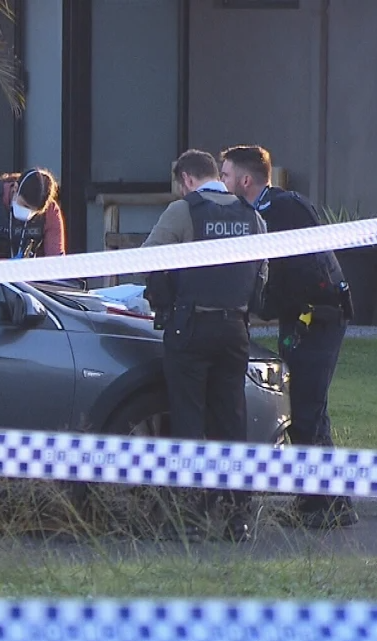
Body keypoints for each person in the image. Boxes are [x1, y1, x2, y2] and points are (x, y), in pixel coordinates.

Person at [219, 144, 358, 530]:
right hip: (301, 319)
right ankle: (329, 503)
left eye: (226, 175)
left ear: (245, 180)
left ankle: (322, 507)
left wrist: (257, 303)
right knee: (309, 411)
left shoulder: (281, 211)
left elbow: (287, 274)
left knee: (306, 411)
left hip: (317, 320)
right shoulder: (265, 211)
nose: (222, 182)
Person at [140, 149, 268, 541]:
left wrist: (163, 301)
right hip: (235, 329)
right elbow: (262, 276)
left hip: (191, 328)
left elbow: (148, 262)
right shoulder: (253, 217)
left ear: (187, 180)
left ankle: (190, 519)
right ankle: (237, 518)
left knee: (188, 419)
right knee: (231, 420)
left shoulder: (184, 211)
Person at [0, 168, 66, 260]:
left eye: (34, 211)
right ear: (15, 188)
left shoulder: (51, 210)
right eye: (25, 205)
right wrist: (12, 266)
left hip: (34, 273)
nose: (28, 213)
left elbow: (55, 260)